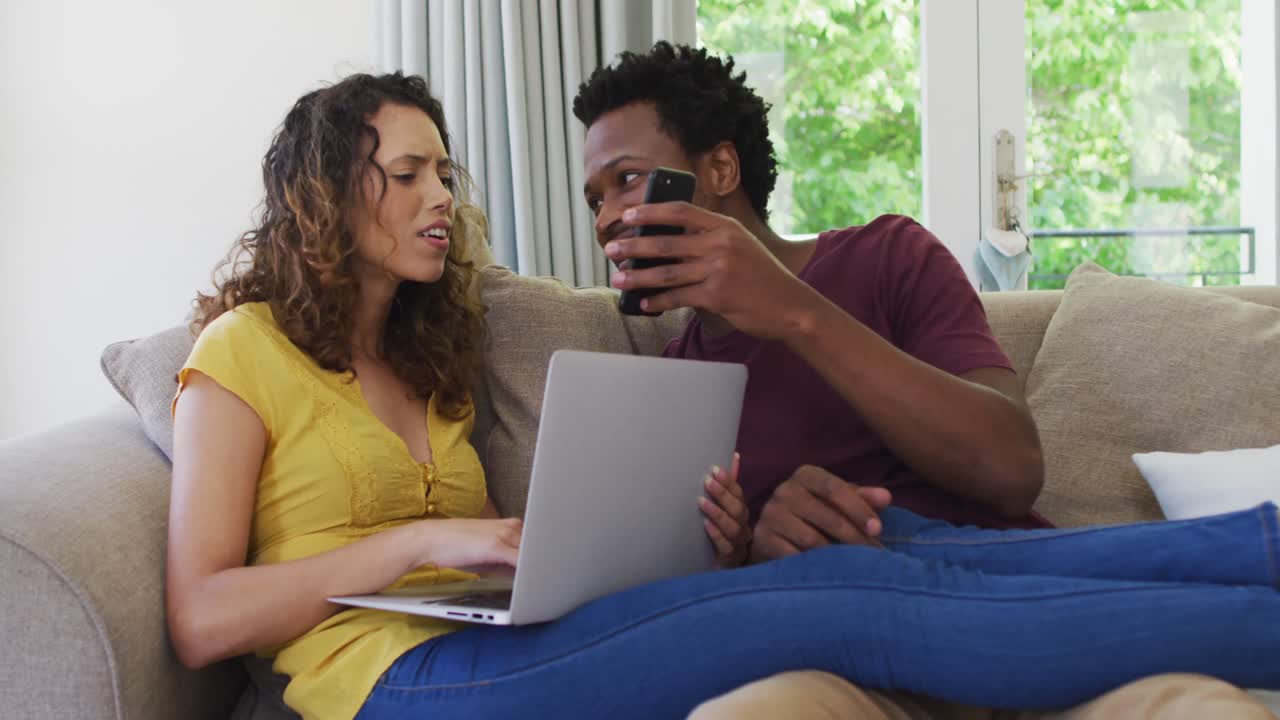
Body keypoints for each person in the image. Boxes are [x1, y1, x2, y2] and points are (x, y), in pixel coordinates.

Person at [167, 70, 1279, 720]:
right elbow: (200, 617)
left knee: (891, 557)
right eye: (408, 174)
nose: (440, 198)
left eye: (445, 173)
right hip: (389, 683)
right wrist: (420, 544)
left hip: (497, 640)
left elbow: (505, 560)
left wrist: (622, 545)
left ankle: (1258, 543)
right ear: (327, 193)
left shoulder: (433, 367)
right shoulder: (241, 352)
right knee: (846, 594)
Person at [572, 41, 1278, 718]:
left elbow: (1010, 467)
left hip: (1044, 640)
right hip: (856, 677)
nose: (605, 219)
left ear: (721, 169)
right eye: (594, 199)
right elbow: (702, 613)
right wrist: (754, 552)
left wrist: (796, 313)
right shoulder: (680, 380)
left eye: (627, 179)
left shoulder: (888, 257)